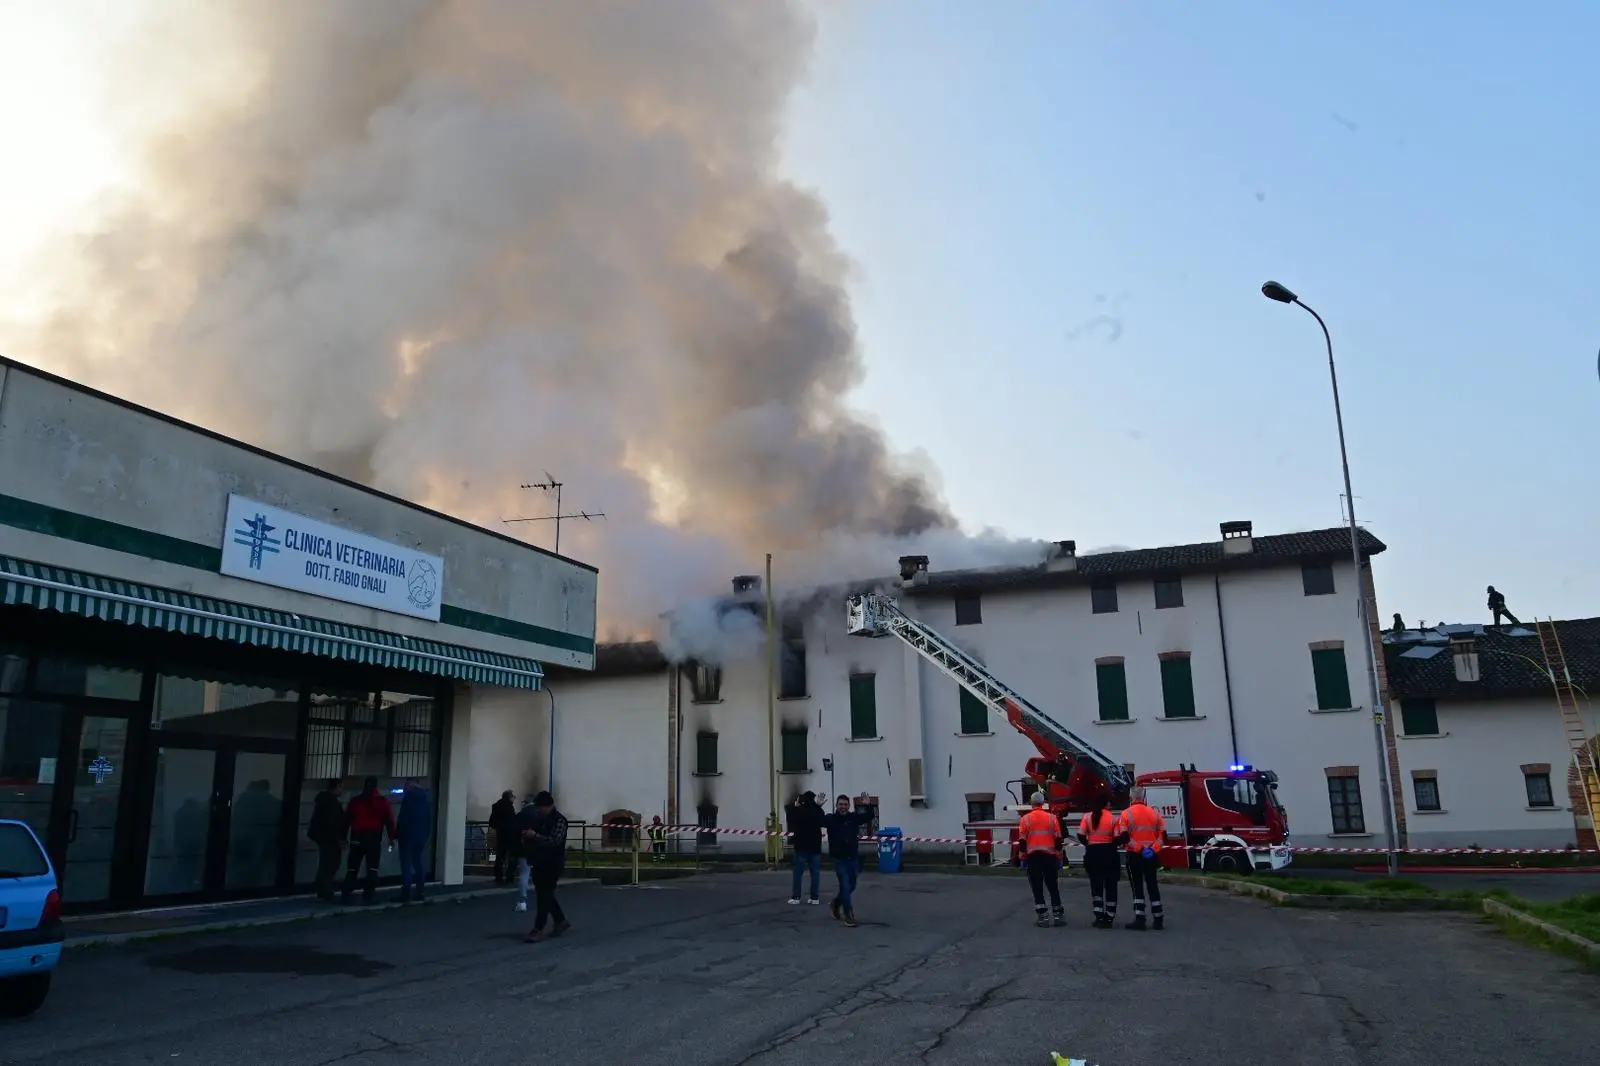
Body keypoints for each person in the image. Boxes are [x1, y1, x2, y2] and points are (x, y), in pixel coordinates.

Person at [519, 790, 572, 942]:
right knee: (544, 894)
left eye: (541, 807)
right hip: (539, 861)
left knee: (544, 895)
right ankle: (561, 920)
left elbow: (554, 841)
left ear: (548, 806)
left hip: (553, 863)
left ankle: (538, 928)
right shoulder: (539, 819)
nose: (539, 810)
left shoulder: (559, 820)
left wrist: (535, 836)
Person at [1115, 786, 1168, 931]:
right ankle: (1158, 919)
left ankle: (1140, 918)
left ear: (1131, 798)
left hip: (1135, 856)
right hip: (1151, 856)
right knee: (1153, 886)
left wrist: (1140, 849)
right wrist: (1152, 849)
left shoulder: (1126, 814)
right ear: (1144, 798)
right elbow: (1163, 837)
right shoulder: (1155, 813)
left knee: (1137, 887)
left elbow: (1125, 837)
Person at [821, 793, 875, 927]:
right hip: (840, 860)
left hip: (853, 858)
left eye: (845, 805)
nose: (843, 807)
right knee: (845, 887)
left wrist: (868, 806)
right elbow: (816, 819)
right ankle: (848, 916)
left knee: (851, 886)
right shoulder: (831, 819)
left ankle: (835, 904)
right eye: (841, 805)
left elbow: (869, 817)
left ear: (849, 806)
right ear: (836, 806)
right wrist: (817, 806)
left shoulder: (853, 818)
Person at [342, 776, 396, 906]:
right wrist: (391, 838)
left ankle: (346, 895)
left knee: (352, 868)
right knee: (372, 868)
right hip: (373, 839)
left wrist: (342, 837)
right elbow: (389, 821)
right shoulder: (382, 802)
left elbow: (346, 821)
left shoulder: (356, 801)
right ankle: (369, 896)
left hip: (357, 837)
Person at [1018, 790, 1065, 927]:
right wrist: (1059, 855)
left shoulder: (1025, 819)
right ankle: (1058, 916)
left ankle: (1043, 917)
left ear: (1031, 803)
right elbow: (1058, 839)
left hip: (1033, 857)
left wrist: (1022, 856)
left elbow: (1022, 841)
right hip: (1049, 857)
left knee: (1037, 888)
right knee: (1053, 886)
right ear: (1043, 803)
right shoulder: (1052, 818)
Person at [1076, 792, 1119, 928]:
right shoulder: (1113, 818)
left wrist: (1089, 844)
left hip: (1093, 853)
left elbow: (1081, 835)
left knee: (1096, 885)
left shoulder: (1087, 817)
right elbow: (1117, 837)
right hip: (1109, 853)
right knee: (1111, 885)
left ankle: (1098, 914)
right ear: (1106, 804)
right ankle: (1110, 916)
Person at [307, 779, 346, 902]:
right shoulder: (331, 803)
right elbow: (332, 823)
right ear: (335, 788)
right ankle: (324, 889)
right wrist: (339, 838)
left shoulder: (325, 801)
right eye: (341, 787)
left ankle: (323, 888)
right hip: (329, 837)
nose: (342, 790)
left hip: (324, 837)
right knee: (330, 863)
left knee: (327, 862)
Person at [396, 778, 432, 903]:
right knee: (418, 863)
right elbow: (428, 819)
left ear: (411, 785)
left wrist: (397, 834)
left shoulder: (409, 798)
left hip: (407, 837)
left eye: (406, 785)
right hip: (421, 837)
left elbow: (403, 818)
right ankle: (420, 891)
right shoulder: (426, 799)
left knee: (406, 865)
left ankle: (406, 893)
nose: (404, 788)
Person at [785, 791, 824, 905]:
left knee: (798, 873)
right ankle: (814, 897)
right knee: (815, 873)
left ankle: (796, 897)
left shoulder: (799, 810)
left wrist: (795, 807)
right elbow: (822, 821)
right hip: (815, 847)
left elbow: (790, 818)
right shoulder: (817, 810)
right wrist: (818, 807)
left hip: (801, 847)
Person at [489, 790, 519, 883]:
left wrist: (499, 827)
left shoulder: (496, 806)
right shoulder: (509, 806)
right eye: (513, 797)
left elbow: (492, 822)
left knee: (499, 857)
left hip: (500, 834)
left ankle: (498, 877)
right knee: (512, 856)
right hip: (510, 835)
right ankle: (509, 876)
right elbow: (513, 821)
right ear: (509, 797)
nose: (514, 799)